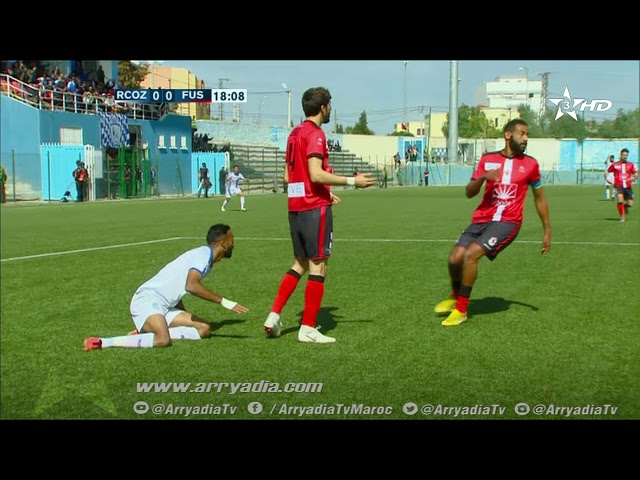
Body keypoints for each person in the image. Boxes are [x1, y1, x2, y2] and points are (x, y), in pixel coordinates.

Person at [263, 86, 376, 344]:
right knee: (319, 266)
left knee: (300, 263)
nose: (330, 109)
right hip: (314, 211)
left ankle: (274, 315)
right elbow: (314, 173)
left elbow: (287, 177)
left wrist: (321, 193)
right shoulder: (315, 135)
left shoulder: (294, 134)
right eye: (330, 104)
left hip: (297, 209)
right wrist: (351, 182)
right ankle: (308, 328)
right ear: (323, 107)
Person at [434, 118, 551, 326]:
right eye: (522, 134)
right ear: (508, 135)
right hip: (481, 219)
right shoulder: (487, 159)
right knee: (454, 259)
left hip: (508, 222)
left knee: (470, 256)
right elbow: (469, 193)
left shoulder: (531, 164)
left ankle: (461, 310)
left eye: (527, 135)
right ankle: (455, 297)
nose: (525, 138)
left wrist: (547, 230)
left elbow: (539, 198)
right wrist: (483, 178)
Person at [84, 224, 249, 350]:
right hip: (147, 299)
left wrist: (182, 312)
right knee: (163, 340)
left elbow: (179, 290)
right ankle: (103, 342)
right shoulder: (203, 255)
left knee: (204, 329)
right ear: (223, 243)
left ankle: (146, 332)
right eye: (232, 239)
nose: (234, 242)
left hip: (166, 306)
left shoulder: (206, 259)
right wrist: (223, 301)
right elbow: (191, 286)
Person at [605, 147, 638, 222]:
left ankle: (625, 207)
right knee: (620, 200)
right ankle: (622, 216)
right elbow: (607, 172)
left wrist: (631, 178)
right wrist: (607, 179)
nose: (625, 156)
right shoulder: (615, 164)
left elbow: (636, 174)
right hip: (618, 186)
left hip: (628, 186)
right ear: (620, 155)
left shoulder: (631, 164)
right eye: (623, 155)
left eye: (626, 155)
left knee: (630, 204)